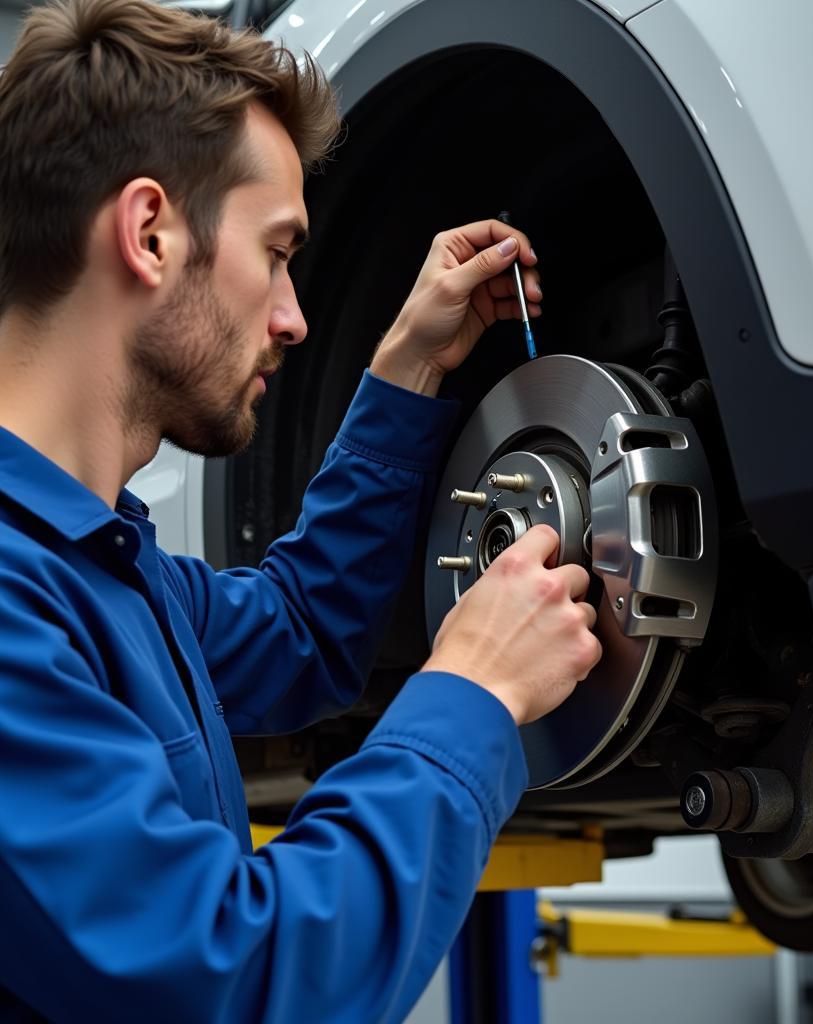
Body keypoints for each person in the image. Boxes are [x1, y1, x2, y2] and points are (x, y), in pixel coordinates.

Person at [0, 0, 602, 1020]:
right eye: (277, 252)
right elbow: (241, 975)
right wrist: (474, 688)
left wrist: (405, 375)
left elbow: (297, 632)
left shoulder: (96, 569)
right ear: (149, 233)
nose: (294, 317)